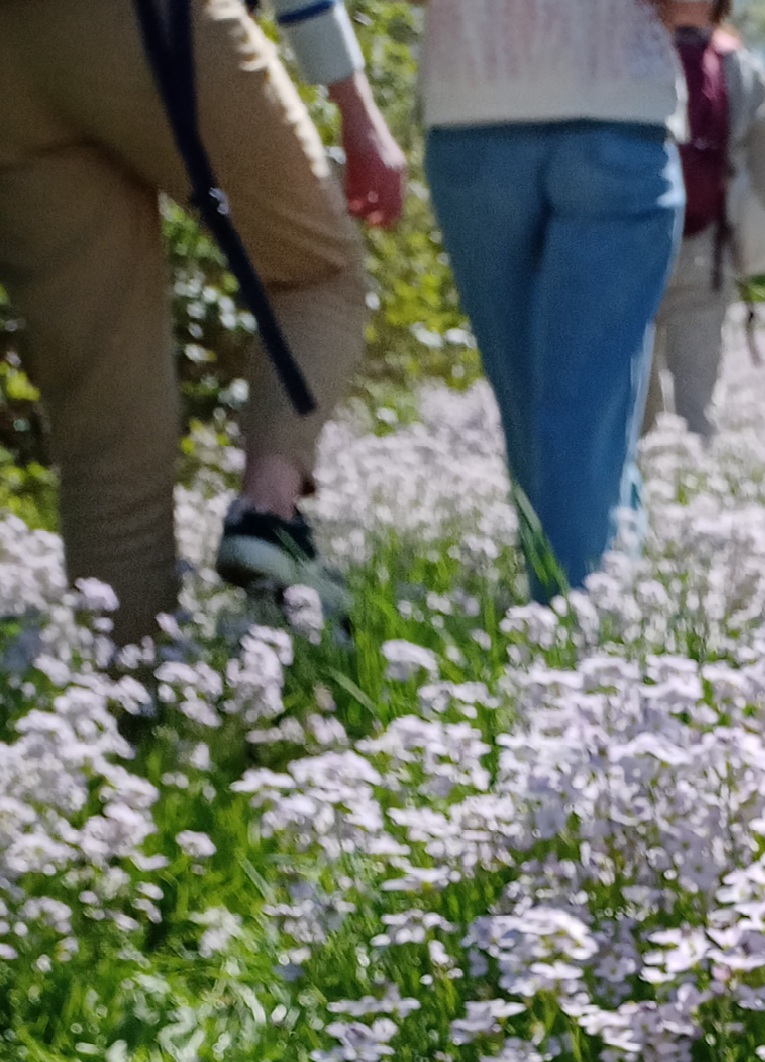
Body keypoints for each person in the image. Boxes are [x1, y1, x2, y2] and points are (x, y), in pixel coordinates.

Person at [0, 0, 406, 644]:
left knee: (108, 425)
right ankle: (267, 518)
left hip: (13, 64)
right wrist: (351, 101)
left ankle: (134, 701)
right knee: (317, 274)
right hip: (153, 27)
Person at [419, 0, 687, 596]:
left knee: (531, 408)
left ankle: (584, 602)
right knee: (583, 407)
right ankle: (577, 637)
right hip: (615, 109)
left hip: (471, 109)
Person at [643, 0, 765, 442]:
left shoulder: (638, 50)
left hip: (632, 241)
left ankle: (636, 498)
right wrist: (745, 200)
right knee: (696, 398)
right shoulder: (742, 68)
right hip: (707, 250)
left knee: (634, 399)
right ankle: (695, 495)